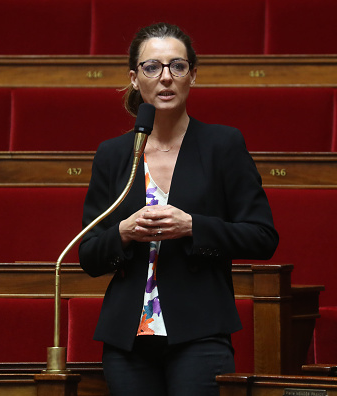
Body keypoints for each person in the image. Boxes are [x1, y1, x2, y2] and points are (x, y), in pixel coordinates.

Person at [79, 22, 279, 396]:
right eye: (152, 67)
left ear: (192, 76)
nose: (165, 77)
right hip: (127, 339)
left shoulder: (223, 145)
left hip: (200, 331)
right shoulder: (113, 154)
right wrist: (123, 232)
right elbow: (88, 254)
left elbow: (263, 237)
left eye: (177, 66)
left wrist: (192, 225)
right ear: (135, 79)